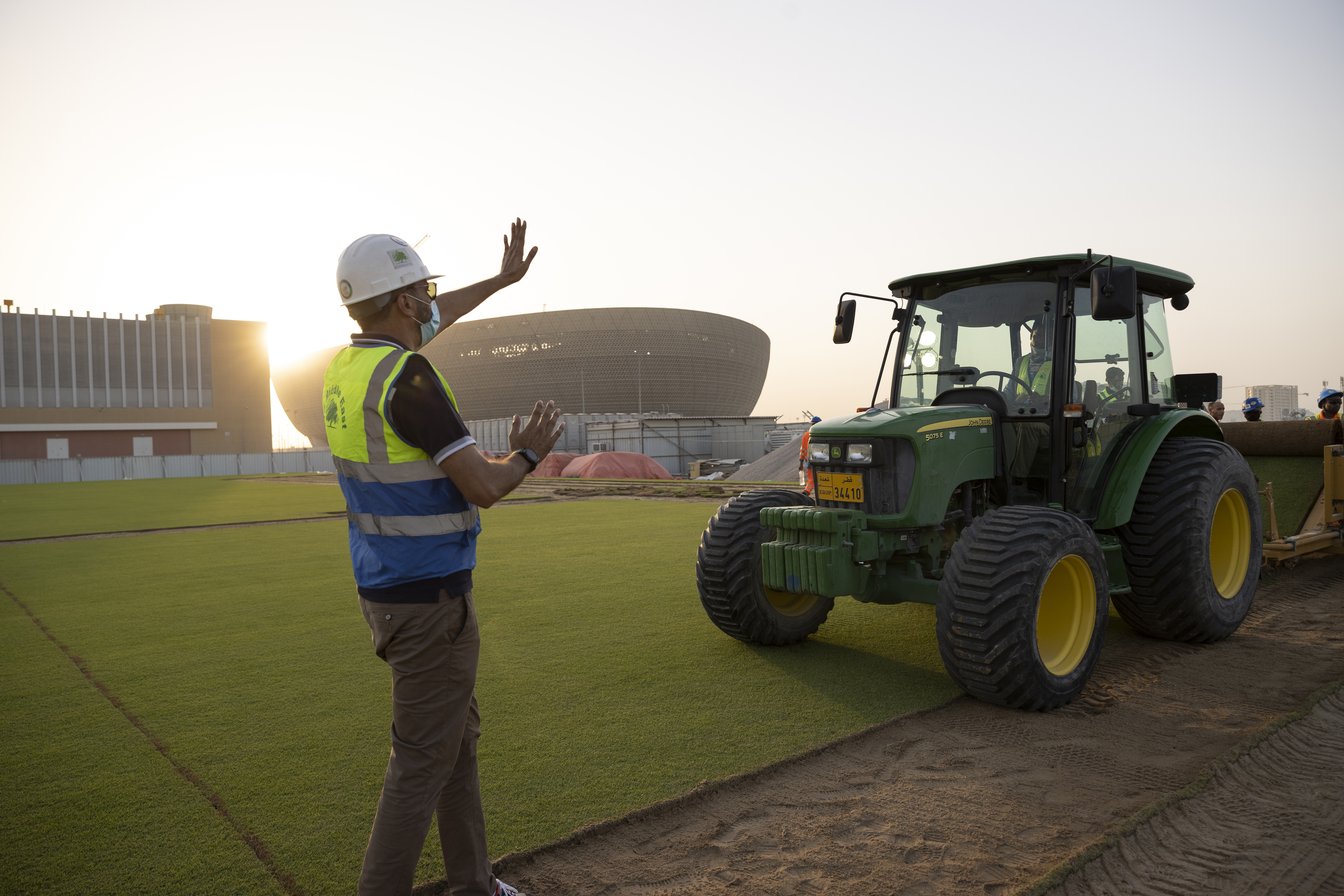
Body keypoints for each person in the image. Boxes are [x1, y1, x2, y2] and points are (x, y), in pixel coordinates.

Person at [323, 221, 560, 896]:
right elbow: (484, 487)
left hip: (390, 592)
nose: (432, 302)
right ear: (402, 302)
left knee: (454, 748)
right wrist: (528, 453)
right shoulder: (410, 378)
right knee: (421, 764)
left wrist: (504, 281)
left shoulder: (348, 370)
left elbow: (435, 318)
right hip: (430, 606)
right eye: (423, 292)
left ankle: (473, 886)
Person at [799, 415, 822, 496]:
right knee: (820, 478)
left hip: (808, 461)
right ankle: (808, 492)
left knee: (811, 478)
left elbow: (802, 450)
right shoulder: (821, 435)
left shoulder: (806, 435)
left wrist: (801, 463)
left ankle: (807, 491)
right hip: (820, 461)